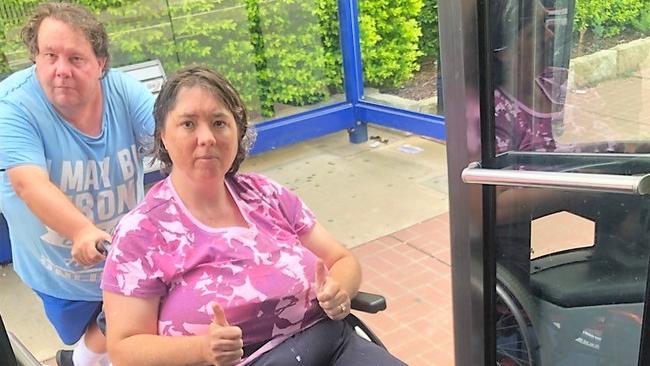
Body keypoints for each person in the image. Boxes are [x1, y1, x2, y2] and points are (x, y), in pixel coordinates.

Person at [100, 66, 405, 366]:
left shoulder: (265, 195)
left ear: (237, 132)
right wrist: (203, 348)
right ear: (163, 135)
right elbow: (125, 349)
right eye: (189, 124)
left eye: (219, 123)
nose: (206, 137)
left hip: (331, 344)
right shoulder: (141, 233)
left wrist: (340, 291)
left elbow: (341, 260)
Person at [0, 3, 154, 366]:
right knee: (115, 340)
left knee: (133, 337)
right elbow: (28, 184)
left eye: (76, 58)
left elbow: (169, 143)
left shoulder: (124, 93)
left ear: (101, 63)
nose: (61, 70)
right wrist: (82, 230)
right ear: (35, 57)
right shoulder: (13, 106)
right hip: (59, 270)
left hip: (125, 259)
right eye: (49, 55)